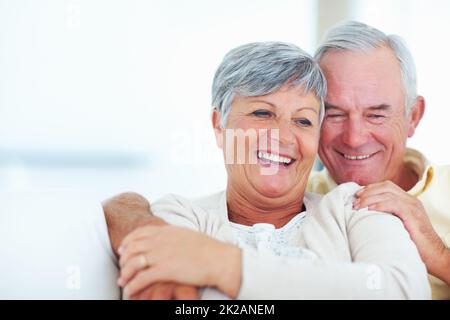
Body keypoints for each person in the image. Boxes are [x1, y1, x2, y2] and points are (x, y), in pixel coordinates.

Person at [105, 41, 430, 300]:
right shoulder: (180, 213)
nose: (283, 136)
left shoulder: (354, 207)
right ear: (219, 125)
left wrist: (224, 265)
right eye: (262, 113)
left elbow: (404, 290)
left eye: (303, 120)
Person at [307, 21, 450, 299]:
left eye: (376, 115)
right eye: (334, 114)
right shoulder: (289, 202)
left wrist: (439, 254)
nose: (355, 138)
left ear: (413, 116)